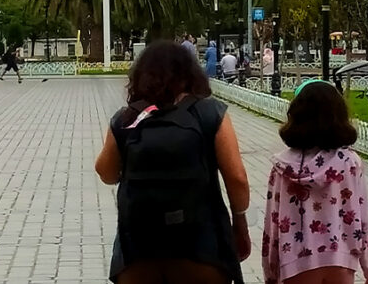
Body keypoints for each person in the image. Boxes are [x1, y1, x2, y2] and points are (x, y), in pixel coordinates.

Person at [95, 40, 251, 284]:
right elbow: (237, 179)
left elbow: (105, 173)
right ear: (191, 74)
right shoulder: (210, 113)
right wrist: (239, 224)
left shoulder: (127, 118)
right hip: (201, 248)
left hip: (139, 252)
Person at [262, 80, 368, 284]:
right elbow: (363, 216)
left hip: (294, 263)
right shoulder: (349, 163)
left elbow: (273, 223)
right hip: (340, 260)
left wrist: (270, 271)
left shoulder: (282, 167)